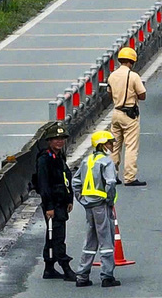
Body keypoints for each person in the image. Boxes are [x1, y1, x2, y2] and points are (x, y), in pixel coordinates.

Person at [72, 131, 120, 288]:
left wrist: (82, 200)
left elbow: (75, 182)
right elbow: (111, 182)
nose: (112, 145)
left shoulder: (87, 161)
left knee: (90, 239)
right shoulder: (106, 162)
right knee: (106, 239)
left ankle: (82, 275)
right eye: (110, 142)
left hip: (89, 206)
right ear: (103, 144)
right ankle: (107, 276)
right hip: (101, 205)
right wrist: (109, 200)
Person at [36, 121, 77, 282]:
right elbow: (43, 185)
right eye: (56, 139)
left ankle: (49, 268)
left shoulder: (59, 156)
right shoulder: (44, 159)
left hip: (61, 202)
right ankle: (66, 268)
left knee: (52, 236)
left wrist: (69, 199)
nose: (59, 141)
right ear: (49, 141)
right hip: (53, 204)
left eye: (62, 138)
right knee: (58, 237)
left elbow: (65, 179)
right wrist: (49, 207)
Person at [107, 47, 147, 186]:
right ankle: (130, 177)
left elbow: (109, 93)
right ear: (132, 61)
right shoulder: (133, 76)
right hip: (129, 114)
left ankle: (111, 175)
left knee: (114, 146)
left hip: (116, 112)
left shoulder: (112, 75)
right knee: (131, 146)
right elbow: (142, 95)